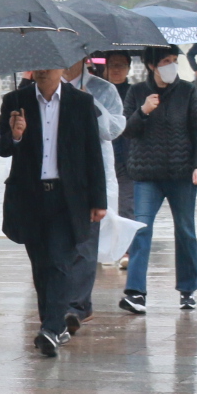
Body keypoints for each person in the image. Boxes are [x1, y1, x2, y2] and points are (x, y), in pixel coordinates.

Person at [0, 67, 109, 357]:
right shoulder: (15, 101)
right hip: (29, 196)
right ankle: (54, 323)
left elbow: (92, 152)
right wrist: (15, 135)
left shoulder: (81, 102)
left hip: (67, 196)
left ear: (62, 67)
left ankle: (49, 328)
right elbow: (1, 149)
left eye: (50, 63)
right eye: (38, 63)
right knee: (41, 265)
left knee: (61, 260)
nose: (44, 70)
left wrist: (99, 199)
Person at [120, 45, 197, 315]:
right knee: (141, 229)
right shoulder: (136, 92)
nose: (170, 65)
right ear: (151, 65)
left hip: (182, 174)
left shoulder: (188, 91)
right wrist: (144, 111)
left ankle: (187, 289)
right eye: (165, 61)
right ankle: (135, 292)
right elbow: (126, 129)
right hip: (147, 175)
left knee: (185, 229)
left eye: (174, 61)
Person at [61, 55, 125, 321]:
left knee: (86, 242)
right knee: (59, 243)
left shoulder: (103, 89)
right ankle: (60, 302)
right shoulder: (43, 87)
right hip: (56, 174)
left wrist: (90, 101)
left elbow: (112, 129)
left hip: (91, 175)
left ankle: (76, 306)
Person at [102, 51, 136, 220]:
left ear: (128, 68)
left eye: (121, 65)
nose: (116, 69)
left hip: (126, 159)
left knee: (126, 206)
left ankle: (126, 246)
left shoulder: (134, 93)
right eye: (112, 65)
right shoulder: (97, 92)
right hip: (102, 157)